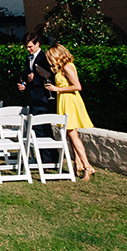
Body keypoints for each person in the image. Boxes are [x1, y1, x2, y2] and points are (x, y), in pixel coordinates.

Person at [44, 44, 95, 180]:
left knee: (73, 135)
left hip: (70, 101)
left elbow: (77, 86)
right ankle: (77, 163)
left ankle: (87, 165)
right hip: (64, 100)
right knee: (70, 134)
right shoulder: (62, 68)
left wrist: (57, 89)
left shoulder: (67, 66)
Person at [17, 32, 55, 163]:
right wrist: (24, 84)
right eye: (27, 47)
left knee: (43, 128)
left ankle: (48, 158)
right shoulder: (29, 58)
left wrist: (35, 79)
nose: (28, 49)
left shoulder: (45, 57)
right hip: (33, 97)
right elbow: (26, 75)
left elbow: (50, 77)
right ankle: (44, 158)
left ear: (37, 44)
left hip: (43, 98)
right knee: (37, 128)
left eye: (30, 46)